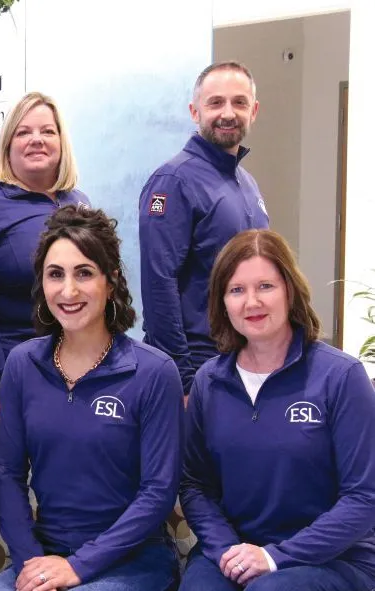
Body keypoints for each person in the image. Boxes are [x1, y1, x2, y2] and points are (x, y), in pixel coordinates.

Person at [0, 206, 183, 591]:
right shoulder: (22, 365)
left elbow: (158, 493)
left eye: (84, 273)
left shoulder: (153, 372)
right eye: (55, 274)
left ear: (110, 281)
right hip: (48, 550)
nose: (69, 290)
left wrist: (77, 567)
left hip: (135, 564)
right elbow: (7, 474)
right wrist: (29, 563)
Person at [174, 229, 375, 591]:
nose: (252, 301)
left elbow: (364, 497)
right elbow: (194, 483)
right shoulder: (209, 382)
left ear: (289, 289)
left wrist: (274, 558)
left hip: (340, 562)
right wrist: (228, 549)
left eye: (265, 286)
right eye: (236, 289)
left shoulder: (340, 377)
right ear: (222, 301)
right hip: (237, 549)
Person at [0, 91, 90, 422]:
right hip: (14, 372)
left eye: (47, 132)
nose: (36, 140)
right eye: (23, 132)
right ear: (7, 143)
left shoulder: (79, 202)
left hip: (80, 368)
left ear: (61, 141)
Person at [139, 61, 269, 396]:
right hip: (196, 370)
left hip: (243, 362)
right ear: (194, 111)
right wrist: (182, 380)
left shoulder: (247, 184)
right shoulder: (173, 181)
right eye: (215, 103)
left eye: (239, 102)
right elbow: (158, 284)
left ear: (253, 111)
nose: (228, 113)